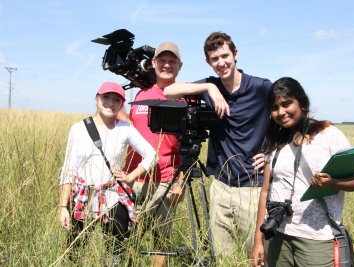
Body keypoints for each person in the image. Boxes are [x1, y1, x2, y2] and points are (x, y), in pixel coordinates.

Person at [164, 31, 272, 258]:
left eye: (225, 56)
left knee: (256, 256)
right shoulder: (210, 86)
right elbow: (168, 91)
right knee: (223, 256)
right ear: (208, 62)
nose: (221, 63)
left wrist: (272, 153)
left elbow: (288, 117)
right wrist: (209, 88)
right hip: (221, 185)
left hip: (253, 187)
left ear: (236, 54)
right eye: (215, 59)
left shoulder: (261, 87)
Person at [251, 77, 354, 267]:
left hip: (316, 239)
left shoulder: (328, 134)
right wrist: (258, 241)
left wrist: (332, 183)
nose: (281, 112)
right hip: (277, 233)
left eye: (287, 104)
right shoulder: (275, 140)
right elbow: (265, 192)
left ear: (302, 103)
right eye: (274, 107)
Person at [58, 82, 157, 262]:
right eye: (106, 97)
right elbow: (68, 169)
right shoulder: (78, 129)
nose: (110, 103)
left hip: (112, 198)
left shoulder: (125, 129)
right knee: (74, 253)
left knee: (116, 253)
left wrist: (130, 177)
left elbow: (151, 154)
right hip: (83, 199)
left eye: (116, 99)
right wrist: (64, 207)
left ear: (121, 105)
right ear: (97, 99)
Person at [122, 41, 184, 267]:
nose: (167, 65)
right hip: (134, 179)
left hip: (165, 181)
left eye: (172, 61)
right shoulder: (139, 95)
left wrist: (181, 182)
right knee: (129, 237)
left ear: (180, 65)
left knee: (162, 241)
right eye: (162, 60)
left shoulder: (185, 97)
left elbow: (187, 146)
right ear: (153, 63)